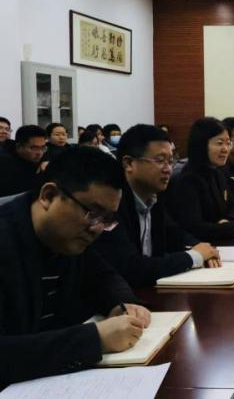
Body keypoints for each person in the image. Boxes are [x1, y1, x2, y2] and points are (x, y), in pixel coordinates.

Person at [0, 147, 151, 386]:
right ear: (48, 196)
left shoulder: (67, 237)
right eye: (92, 212)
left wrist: (122, 304)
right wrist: (93, 339)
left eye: (107, 219)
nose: (97, 228)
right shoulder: (8, 237)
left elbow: (104, 276)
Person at [93, 125, 222, 287]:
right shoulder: (111, 203)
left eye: (171, 161)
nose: (168, 169)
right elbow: (131, 268)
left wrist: (201, 248)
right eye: (160, 161)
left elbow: (175, 233)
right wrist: (194, 256)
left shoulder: (155, 196)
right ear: (129, 163)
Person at [166, 117, 234, 240]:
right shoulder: (188, 179)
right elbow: (194, 228)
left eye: (228, 143)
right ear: (201, 144)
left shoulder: (217, 173)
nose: (225, 149)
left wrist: (229, 222)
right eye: (220, 143)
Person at [0, 125, 47, 197]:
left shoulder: (38, 158)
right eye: (34, 148)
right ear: (19, 146)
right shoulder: (5, 163)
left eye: (43, 148)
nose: (40, 153)